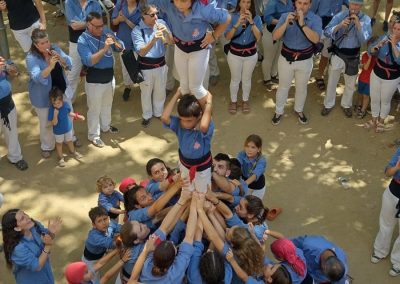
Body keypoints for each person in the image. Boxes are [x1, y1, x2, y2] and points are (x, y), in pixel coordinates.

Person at [148, 0, 230, 106]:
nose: (179, 5)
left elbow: (226, 18)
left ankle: (206, 114)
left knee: (196, 87)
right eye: (176, 1)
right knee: (184, 85)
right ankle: (189, 113)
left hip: (199, 49)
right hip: (180, 48)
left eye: (184, 1)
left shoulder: (203, 9)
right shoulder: (168, 3)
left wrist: (214, 35)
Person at [77, 11, 124, 148]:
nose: (100, 29)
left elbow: (121, 47)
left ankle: (105, 126)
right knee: (94, 109)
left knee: (107, 105)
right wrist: (104, 49)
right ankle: (93, 135)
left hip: (109, 77)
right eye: (96, 27)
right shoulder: (82, 40)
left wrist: (115, 41)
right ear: (88, 25)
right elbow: (89, 61)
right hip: (94, 80)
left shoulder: (106, 31)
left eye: (101, 26)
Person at [271, 0, 322, 126]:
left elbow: (316, 39)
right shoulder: (285, 16)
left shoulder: (315, 19)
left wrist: (303, 24)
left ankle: (299, 110)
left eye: (305, 3)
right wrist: (286, 23)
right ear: (295, 4)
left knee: (301, 87)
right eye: (299, 3)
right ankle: (279, 111)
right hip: (286, 59)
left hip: (305, 60)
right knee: (283, 86)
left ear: (310, 5)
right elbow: (274, 37)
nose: (302, 6)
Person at [26, 28, 72, 159]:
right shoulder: (31, 58)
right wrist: (50, 66)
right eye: (42, 43)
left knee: (67, 115)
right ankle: (47, 145)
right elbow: (37, 77)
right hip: (43, 96)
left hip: (61, 91)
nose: (46, 45)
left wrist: (61, 59)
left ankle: (69, 138)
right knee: (47, 122)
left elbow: (69, 63)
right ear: (35, 45)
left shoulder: (54, 48)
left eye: (47, 41)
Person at [321, 0, 372, 118]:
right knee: (332, 81)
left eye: (358, 5)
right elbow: (327, 31)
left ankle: (346, 105)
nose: (355, 7)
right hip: (338, 53)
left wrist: (359, 24)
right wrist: (339, 26)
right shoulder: (340, 15)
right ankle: (328, 104)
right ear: (349, 5)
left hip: (353, 55)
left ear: (361, 6)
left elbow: (364, 40)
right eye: (353, 4)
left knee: (350, 83)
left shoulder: (366, 19)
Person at [139, 187, 197, 283]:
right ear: (175, 257)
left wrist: (182, 200)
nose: (169, 241)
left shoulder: (148, 264)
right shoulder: (176, 271)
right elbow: (189, 237)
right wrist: (195, 204)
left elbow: (163, 228)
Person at [161, 89, 214, 193]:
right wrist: (177, 94)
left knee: (202, 194)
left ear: (199, 116)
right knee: (187, 191)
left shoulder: (205, 126)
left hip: (202, 169)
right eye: (182, 119)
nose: (185, 123)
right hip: (184, 165)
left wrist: (209, 103)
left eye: (189, 120)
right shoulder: (179, 125)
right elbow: (164, 117)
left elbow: (203, 126)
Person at [132, 4, 173, 127]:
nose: (156, 17)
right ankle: (147, 115)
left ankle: (159, 112)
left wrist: (166, 32)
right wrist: (154, 40)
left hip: (161, 63)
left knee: (160, 90)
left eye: (156, 13)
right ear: (143, 16)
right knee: (146, 92)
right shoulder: (137, 30)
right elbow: (142, 52)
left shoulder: (161, 23)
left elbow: (171, 42)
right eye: (152, 15)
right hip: (146, 67)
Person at [1, 209, 62, 284]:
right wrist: (47, 246)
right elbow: (37, 266)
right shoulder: (17, 249)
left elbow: (47, 238)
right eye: (22, 218)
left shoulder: (34, 226)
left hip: (47, 276)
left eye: (24, 214)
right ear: (17, 228)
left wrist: (51, 233)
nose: (27, 217)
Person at [225, 0, 262, 114]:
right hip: (234, 54)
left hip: (251, 54)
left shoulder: (256, 18)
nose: (246, 5)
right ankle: (234, 101)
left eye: (248, 3)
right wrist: (237, 25)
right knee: (235, 79)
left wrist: (251, 22)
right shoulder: (232, 17)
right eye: (243, 2)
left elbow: (259, 37)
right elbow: (227, 37)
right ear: (239, 4)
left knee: (246, 79)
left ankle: (245, 100)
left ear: (251, 5)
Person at [365, 17, 400, 133]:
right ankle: (374, 119)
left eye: (399, 29)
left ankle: (381, 121)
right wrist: (375, 48)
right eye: (395, 28)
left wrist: (394, 45)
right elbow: (370, 50)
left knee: (385, 100)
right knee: (374, 98)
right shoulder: (384, 37)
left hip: (392, 77)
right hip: (377, 72)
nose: (396, 31)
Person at [64, 0, 102, 103]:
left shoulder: (95, 2)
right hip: (76, 42)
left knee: (91, 70)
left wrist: (84, 23)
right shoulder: (69, 3)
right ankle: (68, 102)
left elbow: (99, 23)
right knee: (73, 72)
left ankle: (92, 97)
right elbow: (74, 26)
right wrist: (90, 24)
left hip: (92, 41)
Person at [370, 148, 400, 277]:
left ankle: (398, 261)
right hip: (393, 192)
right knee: (386, 224)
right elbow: (387, 172)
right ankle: (380, 250)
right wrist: (397, 167)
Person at [227, 238, 307, 284]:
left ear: (269, 279)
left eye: (271, 267)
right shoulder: (278, 275)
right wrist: (253, 235)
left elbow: (244, 277)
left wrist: (232, 260)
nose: (270, 265)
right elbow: (262, 257)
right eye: (273, 264)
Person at [312, 0, 349, 91]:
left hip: (333, 27)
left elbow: (350, 5)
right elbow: (312, 10)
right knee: (310, 52)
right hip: (318, 26)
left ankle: (319, 76)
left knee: (326, 54)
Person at [0, 57, 28, 171]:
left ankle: (15, 157)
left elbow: (15, 71)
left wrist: (7, 67)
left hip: (7, 103)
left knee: (11, 132)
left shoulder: (1, 60)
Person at [111, 0, 142, 101]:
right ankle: (127, 86)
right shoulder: (120, 4)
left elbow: (140, 28)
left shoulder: (141, 6)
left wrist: (125, 20)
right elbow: (113, 21)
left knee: (140, 65)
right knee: (125, 66)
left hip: (138, 42)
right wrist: (119, 19)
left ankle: (143, 86)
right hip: (123, 41)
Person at [48, 87, 84, 167]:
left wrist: (78, 116)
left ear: (62, 100)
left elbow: (69, 113)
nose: (57, 105)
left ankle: (73, 152)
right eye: (54, 103)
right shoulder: (52, 110)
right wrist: (55, 114)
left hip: (68, 128)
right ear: (51, 102)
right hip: (58, 131)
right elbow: (54, 123)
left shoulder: (66, 105)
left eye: (59, 103)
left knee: (69, 141)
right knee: (59, 144)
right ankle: (61, 157)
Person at [262, 0, 293, 89]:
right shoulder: (273, 2)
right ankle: (267, 79)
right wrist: (283, 21)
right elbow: (267, 18)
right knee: (269, 57)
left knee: (278, 56)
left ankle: (273, 74)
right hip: (270, 33)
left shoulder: (289, 2)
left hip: (283, 33)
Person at [82, 206, 119, 284]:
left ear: (108, 218)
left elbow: (120, 227)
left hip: (99, 254)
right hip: (90, 261)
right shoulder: (94, 237)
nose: (104, 223)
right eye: (99, 221)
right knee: (94, 279)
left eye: (105, 219)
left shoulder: (110, 225)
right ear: (94, 225)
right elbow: (112, 244)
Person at [64, 249, 131, 284]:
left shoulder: (81, 279)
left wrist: (116, 250)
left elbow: (99, 263)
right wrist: (122, 261)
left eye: (87, 270)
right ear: (80, 280)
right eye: (86, 272)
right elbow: (106, 277)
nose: (89, 272)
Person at [236, 134, 267, 199]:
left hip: (257, 185)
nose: (249, 150)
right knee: (244, 201)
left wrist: (243, 185)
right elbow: (237, 164)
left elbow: (255, 175)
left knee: (254, 204)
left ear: (259, 149)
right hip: (244, 180)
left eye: (253, 147)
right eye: (247, 146)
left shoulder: (262, 160)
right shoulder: (241, 154)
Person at [354, 40, 376, 119]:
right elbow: (366, 67)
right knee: (360, 93)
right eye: (370, 46)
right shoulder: (364, 55)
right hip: (362, 78)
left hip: (370, 81)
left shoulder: (378, 57)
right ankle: (359, 104)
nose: (372, 49)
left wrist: (372, 56)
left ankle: (363, 110)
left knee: (366, 95)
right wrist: (370, 56)